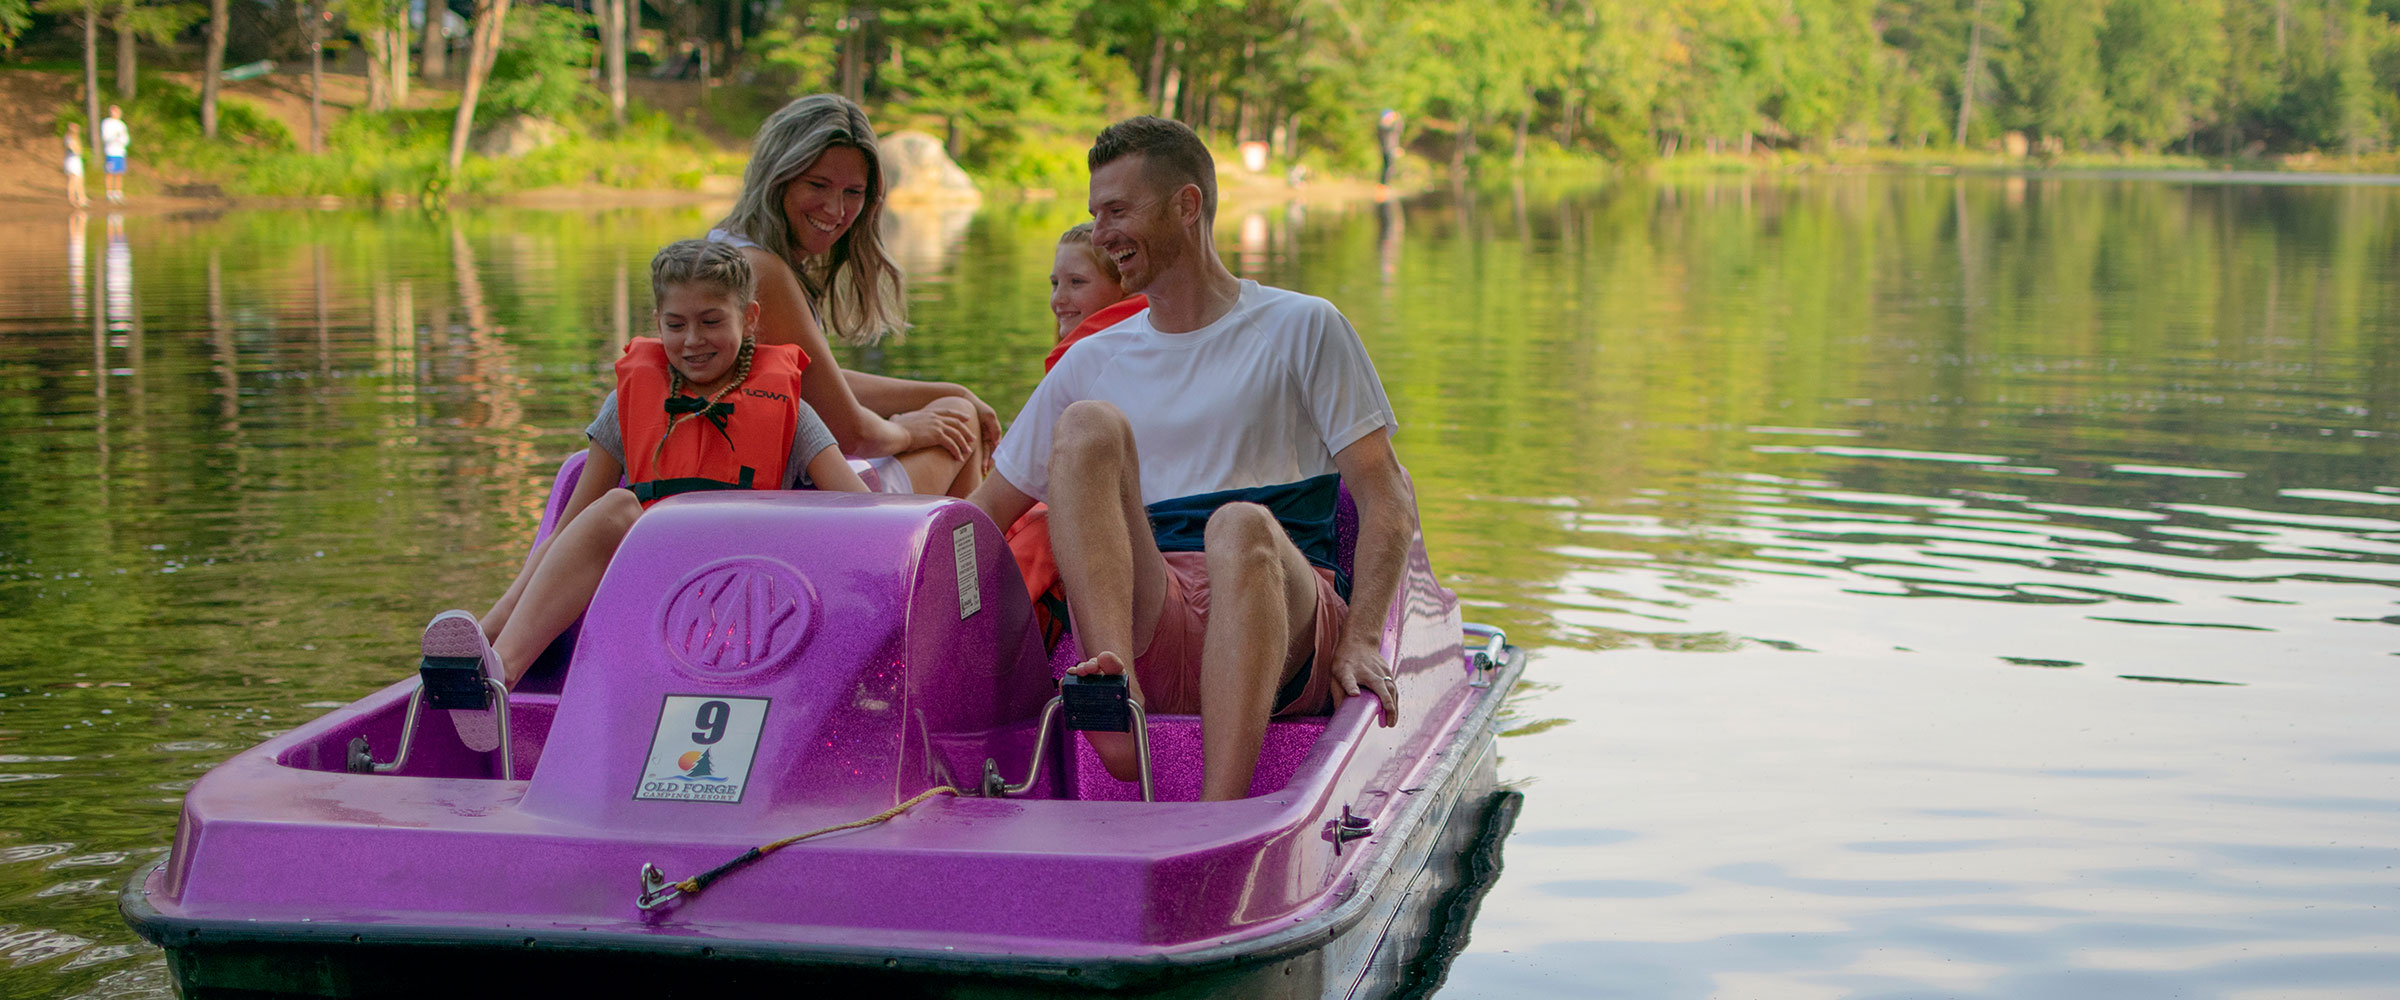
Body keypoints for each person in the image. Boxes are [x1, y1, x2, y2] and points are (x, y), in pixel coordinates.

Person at [971, 117, 1415, 802]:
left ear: (1186, 205)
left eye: (1118, 211)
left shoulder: (1304, 326)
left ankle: (1218, 812)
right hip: (1159, 609)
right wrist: (885, 582)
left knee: (1239, 526)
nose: (1101, 233)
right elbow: (979, 517)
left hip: (1284, 612)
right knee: (1086, 425)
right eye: (1096, 213)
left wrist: (1361, 641)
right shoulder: (1092, 360)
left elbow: (1387, 499)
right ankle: (1113, 690)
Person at [421, 239, 867, 749]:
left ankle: (491, 660)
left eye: (711, 321)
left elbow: (864, 512)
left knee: (618, 507)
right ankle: (495, 665)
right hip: (649, 593)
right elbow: (566, 531)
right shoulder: (627, 404)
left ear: (749, 318)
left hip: (747, 601)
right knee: (613, 506)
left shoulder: (792, 412)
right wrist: (495, 618)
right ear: (657, 322)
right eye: (675, 325)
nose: (693, 341)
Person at [709, 93, 999, 499]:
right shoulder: (761, 271)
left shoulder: (728, 246)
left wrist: (948, 390)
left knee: (953, 408)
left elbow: (818, 386)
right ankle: (965, 542)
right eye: (818, 185)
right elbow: (852, 434)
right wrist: (907, 431)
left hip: (782, 488)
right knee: (959, 423)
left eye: (853, 192)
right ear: (777, 178)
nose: (835, 209)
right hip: (791, 507)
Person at [99, 106, 130, 205]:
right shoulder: (106, 123)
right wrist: (114, 136)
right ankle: (109, 192)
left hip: (120, 152)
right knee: (110, 172)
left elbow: (126, 139)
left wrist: (121, 139)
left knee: (119, 172)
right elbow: (105, 137)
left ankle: (118, 192)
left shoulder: (122, 125)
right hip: (111, 151)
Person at [1376, 109, 1402, 188]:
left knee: (1389, 166)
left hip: (1390, 148)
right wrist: (1397, 119)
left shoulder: (1386, 126)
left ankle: (1385, 184)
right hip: (1388, 149)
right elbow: (1395, 128)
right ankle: (1383, 184)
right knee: (1388, 166)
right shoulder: (1383, 126)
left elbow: (1397, 131)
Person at [63, 133, 88, 208]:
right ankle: (72, 198)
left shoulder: (76, 139)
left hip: (76, 160)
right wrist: (78, 150)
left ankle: (82, 198)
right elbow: (76, 150)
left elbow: (79, 150)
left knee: (80, 179)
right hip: (72, 161)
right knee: (73, 179)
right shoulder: (69, 138)